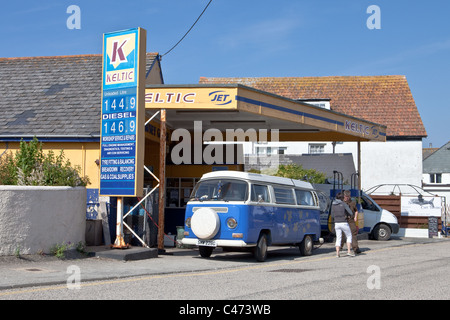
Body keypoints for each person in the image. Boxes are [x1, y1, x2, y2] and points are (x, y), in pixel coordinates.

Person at [331, 192, 355, 257]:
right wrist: (346, 215)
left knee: (338, 237)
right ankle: (349, 251)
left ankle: (337, 253)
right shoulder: (343, 204)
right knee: (349, 235)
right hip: (344, 222)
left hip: (336, 223)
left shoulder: (333, 204)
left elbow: (332, 215)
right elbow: (350, 212)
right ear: (342, 198)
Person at [340, 190, 361, 254]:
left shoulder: (353, 203)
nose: (347, 198)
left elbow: (356, 211)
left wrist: (355, 217)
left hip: (351, 220)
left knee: (353, 233)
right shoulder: (341, 203)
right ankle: (340, 246)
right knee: (342, 233)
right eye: (346, 196)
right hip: (343, 220)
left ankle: (355, 248)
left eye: (348, 196)